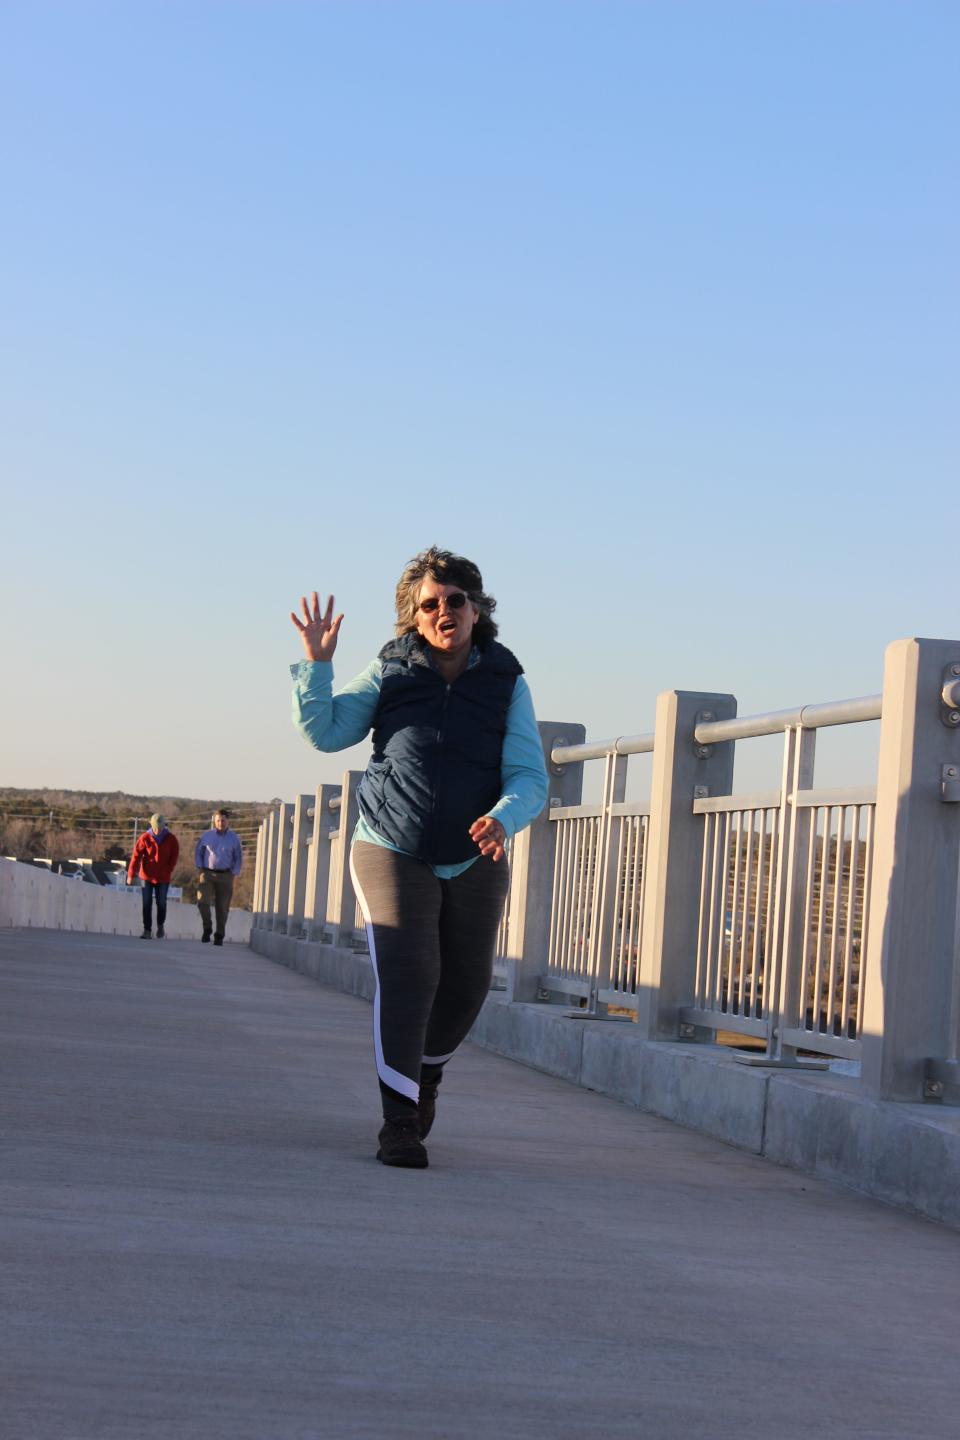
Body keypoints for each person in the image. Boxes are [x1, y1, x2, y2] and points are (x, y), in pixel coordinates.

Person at [290, 546, 548, 1169]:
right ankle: (399, 1121)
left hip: (474, 851)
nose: (443, 612)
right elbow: (327, 733)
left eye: (454, 600)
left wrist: (502, 817)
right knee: (411, 976)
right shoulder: (392, 672)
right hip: (390, 842)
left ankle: (424, 1076)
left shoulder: (506, 682)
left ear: (477, 608)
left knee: (466, 986)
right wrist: (317, 667)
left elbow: (529, 777)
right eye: (428, 605)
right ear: (413, 617)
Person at [194, 809, 243, 945]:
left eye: (223, 820)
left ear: (228, 822)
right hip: (207, 874)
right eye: (218, 820)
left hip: (226, 875)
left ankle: (219, 935)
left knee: (222, 908)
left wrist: (235, 872)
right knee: (202, 902)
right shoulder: (207, 836)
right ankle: (207, 928)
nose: (220, 823)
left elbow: (238, 857)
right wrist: (199, 867)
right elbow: (198, 851)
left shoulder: (234, 838)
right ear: (214, 821)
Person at [127, 813, 180, 940]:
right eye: (155, 827)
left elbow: (174, 856)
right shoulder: (145, 837)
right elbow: (136, 856)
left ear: (164, 826)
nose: (157, 830)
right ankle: (147, 930)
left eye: (160, 827)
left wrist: (168, 869)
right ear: (151, 825)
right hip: (146, 876)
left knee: (161, 903)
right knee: (146, 904)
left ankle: (160, 925)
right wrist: (130, 874)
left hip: (163, 877)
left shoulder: (171, 839)